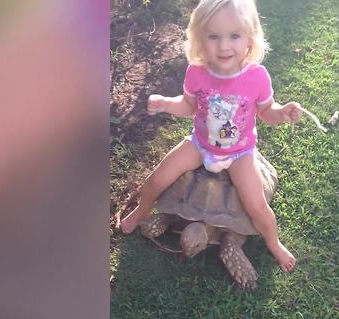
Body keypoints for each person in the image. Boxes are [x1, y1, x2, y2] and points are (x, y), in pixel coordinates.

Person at [121, 0, 300, 272]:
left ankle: (273, 241)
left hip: (240, 153)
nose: (224, 46)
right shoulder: (197, 72)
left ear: (250, 39)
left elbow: (266, 111)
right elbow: (188, 105)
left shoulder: (257, 77)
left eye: (234, 36)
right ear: (200, 39)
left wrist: (281, 113)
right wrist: (166, 104)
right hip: (200, 145)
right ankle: (142, 210)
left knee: (256, 205)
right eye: (213, 36)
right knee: (158, 177)